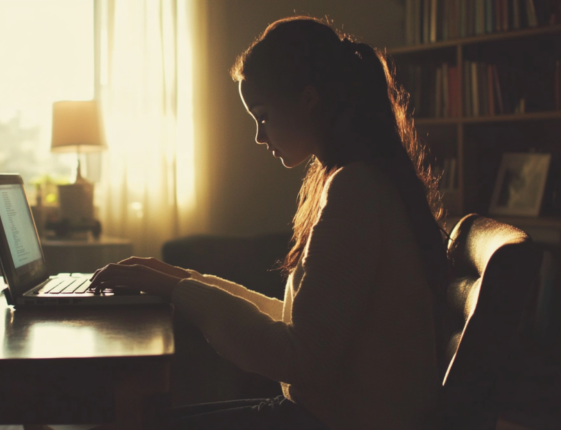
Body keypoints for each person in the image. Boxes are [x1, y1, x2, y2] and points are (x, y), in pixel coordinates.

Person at [89, 16, 450, 430]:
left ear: (308, 99)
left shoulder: (357, 190)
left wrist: (176, 288)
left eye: (262, 116)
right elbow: (299, 324)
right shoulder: (356, 178)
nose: (260, 136)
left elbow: (298, 357)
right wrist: (178, 278)